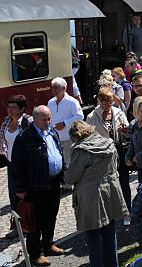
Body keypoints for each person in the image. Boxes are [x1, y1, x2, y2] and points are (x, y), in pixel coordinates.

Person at [64, 121, 128, 267]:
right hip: (111, 192)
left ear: (75, 137)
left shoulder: (80, 150)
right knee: (110, 234)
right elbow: (116, 165)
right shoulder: (108, 143)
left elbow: (71, 178)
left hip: (91, 197)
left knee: (93, 237)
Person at [11, 105, 65, 267]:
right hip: (36, 186)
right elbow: (17, 166)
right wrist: (20, 189)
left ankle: (48, 244)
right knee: (36, 220)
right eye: (44, 119)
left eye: (49, 119)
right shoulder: (24, 137)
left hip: (53, 183)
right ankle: (35, 253)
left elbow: (59, 153)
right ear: (34, 119)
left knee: (51, 216)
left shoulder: (53, 132)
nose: (48, 122)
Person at [86, 88, 132, 219]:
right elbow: (88, 138)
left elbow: (128, 130)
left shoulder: (118, 112)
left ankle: (127, 212)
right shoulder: (92, 117)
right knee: (107, 185)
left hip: (119, 150)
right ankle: (110, 214)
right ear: (99, 101)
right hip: (103, 154)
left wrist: (124, 129)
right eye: (105, 103)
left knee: (124, 182)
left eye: (110, 103)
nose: (108, 106)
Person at [1, 95, 32, 239]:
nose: (10, 110)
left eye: (14, 108)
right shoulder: (7, 121)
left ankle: (28, 225)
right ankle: (18, 226)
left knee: (25, 195)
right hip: (11, 163)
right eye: (9, 107)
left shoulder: (28, 121)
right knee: (13, 195)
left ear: (22, 109)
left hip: (25, 165)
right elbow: (3, 139)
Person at [47, 77, 84, 167]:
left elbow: (80, 116)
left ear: (64, 88)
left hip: (68, 138)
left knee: (68, 163)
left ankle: (68, 181)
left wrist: (65, 123)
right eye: (52, 88)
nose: (53, 90)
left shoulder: (72, 102)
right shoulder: (50, 102)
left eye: (56, 88)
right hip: (55, 138)